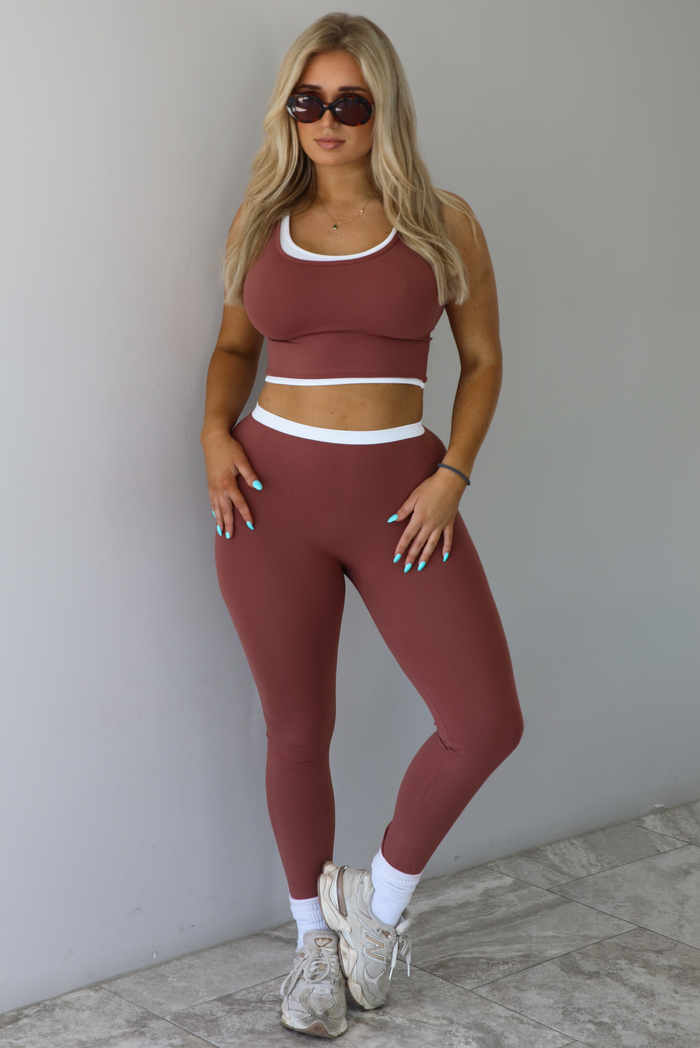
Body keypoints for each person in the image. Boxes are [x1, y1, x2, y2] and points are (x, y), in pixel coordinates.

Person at [201, 11, 524, 1039]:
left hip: (402, 498)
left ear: (382, 108)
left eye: (349, 102)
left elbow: (481, 363)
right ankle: (309, 942)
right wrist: (211, 432)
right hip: (268, 502)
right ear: (287, 111)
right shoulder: (261, 219)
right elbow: (229, 351)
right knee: (298, 731)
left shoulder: (443, 219)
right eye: (308, 101)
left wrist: (452, 476)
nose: (327, 120)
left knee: (484, 722)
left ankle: (374, 909)